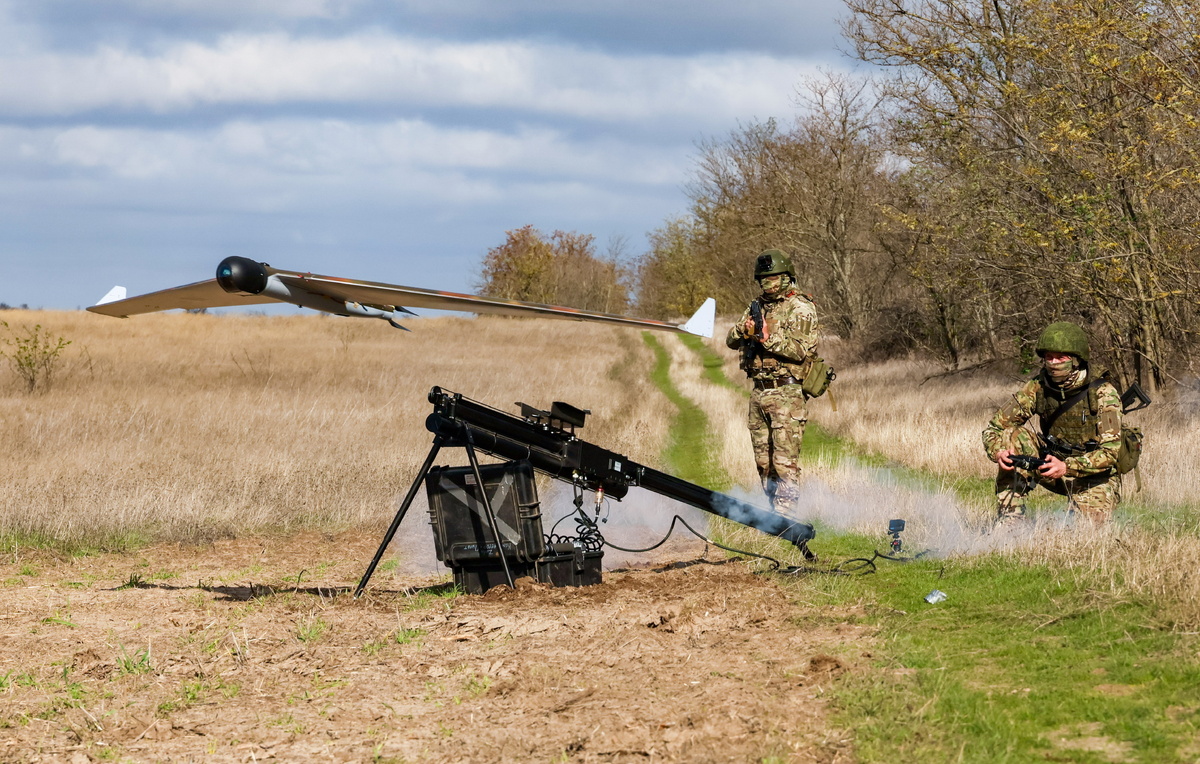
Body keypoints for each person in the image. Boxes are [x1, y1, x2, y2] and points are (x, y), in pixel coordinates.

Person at [982, 321, 1123, 525]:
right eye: (1049, 357)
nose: (1054, 363)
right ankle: (1010, 521)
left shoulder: (1104, 393)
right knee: (1011, 435)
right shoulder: (1038, 386)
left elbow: (1110, 453)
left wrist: (1067, 466)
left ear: (1075, 360)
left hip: (1092, 476)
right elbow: (995, 428)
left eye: (1060, 357)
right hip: (1049, 467)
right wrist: (997, 451)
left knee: (1083, 535)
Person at [725, 249, 819, 525]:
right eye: (764, 278)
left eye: (774, 278)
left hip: (787, 392)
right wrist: (744, 330)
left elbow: (801, 350)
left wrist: (767, 339)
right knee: (763, 462)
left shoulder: (801, 307)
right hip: (759, 391)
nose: (768, 283)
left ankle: (786, 518)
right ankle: (772, 514)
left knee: (783, 462)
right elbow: (731, 339)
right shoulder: (757, 306)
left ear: (787, 277)